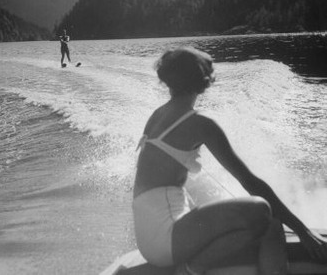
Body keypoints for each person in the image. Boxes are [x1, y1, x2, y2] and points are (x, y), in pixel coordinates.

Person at [133, 47, 327, 275]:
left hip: (151, 235)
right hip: (167, 237)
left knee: (271, 224)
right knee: (261, 209)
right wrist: (302, 231)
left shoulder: (158, 114)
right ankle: (191, 269)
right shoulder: (200, 124)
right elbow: (250, 182)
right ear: (203, 80)